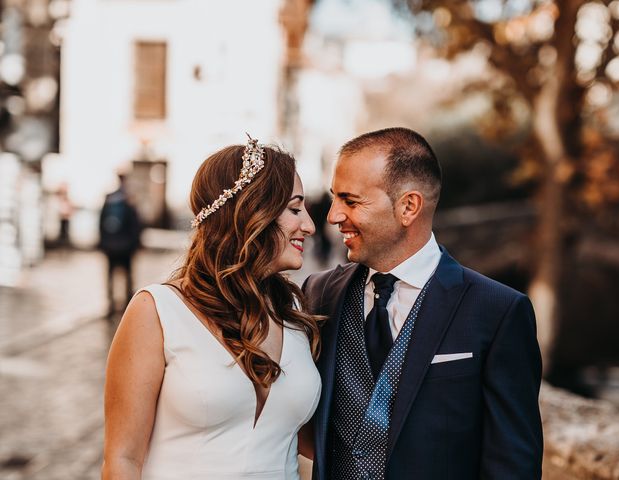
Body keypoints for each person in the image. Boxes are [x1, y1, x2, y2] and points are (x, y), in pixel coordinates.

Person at [303, 127, 543, 479]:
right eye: (334, 198)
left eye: (351, 201)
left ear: (408, 207)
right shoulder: (319, 294)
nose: (333, 216)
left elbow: (513, 466)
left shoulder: (497, 311)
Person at [102, 137, 322, 479]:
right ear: (253, 213)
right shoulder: (157, 312)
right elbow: (123, 460)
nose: (309, 225)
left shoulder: (293, 311)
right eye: (295, 209)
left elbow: (305, 447)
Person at [98, 172, 142, 315]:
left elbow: (101, 222)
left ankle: (110, 303)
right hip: (126, 246)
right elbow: (136, 224)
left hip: (111, 245)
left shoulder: (109, 198)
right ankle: (128, 304)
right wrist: (136, 244)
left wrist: (102, 242)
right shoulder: (129, 199)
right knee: (128, 275)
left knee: (111, 274)